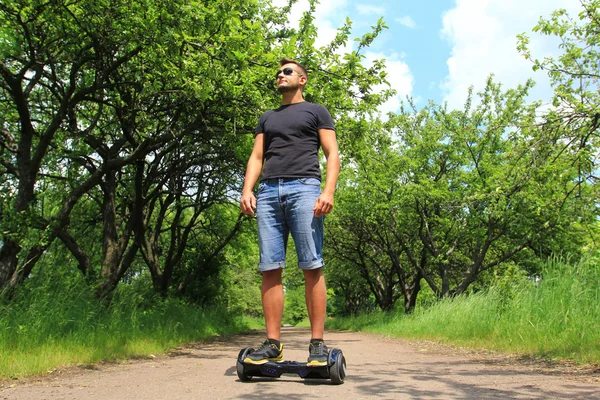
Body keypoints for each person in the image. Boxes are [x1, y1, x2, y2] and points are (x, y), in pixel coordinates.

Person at [240, 58, 340, 366]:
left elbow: (332, 152)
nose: (280, 76)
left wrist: (328, 191)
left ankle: (318, 345)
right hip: (269, 192)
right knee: (270, 267)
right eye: (278, 73)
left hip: (305, 188)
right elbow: (257, 156)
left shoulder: (316, 111)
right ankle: (272, 344)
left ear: (303, 79)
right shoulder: (267, 117)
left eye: (287, 72)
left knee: (311, 264)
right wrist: (247, 190)